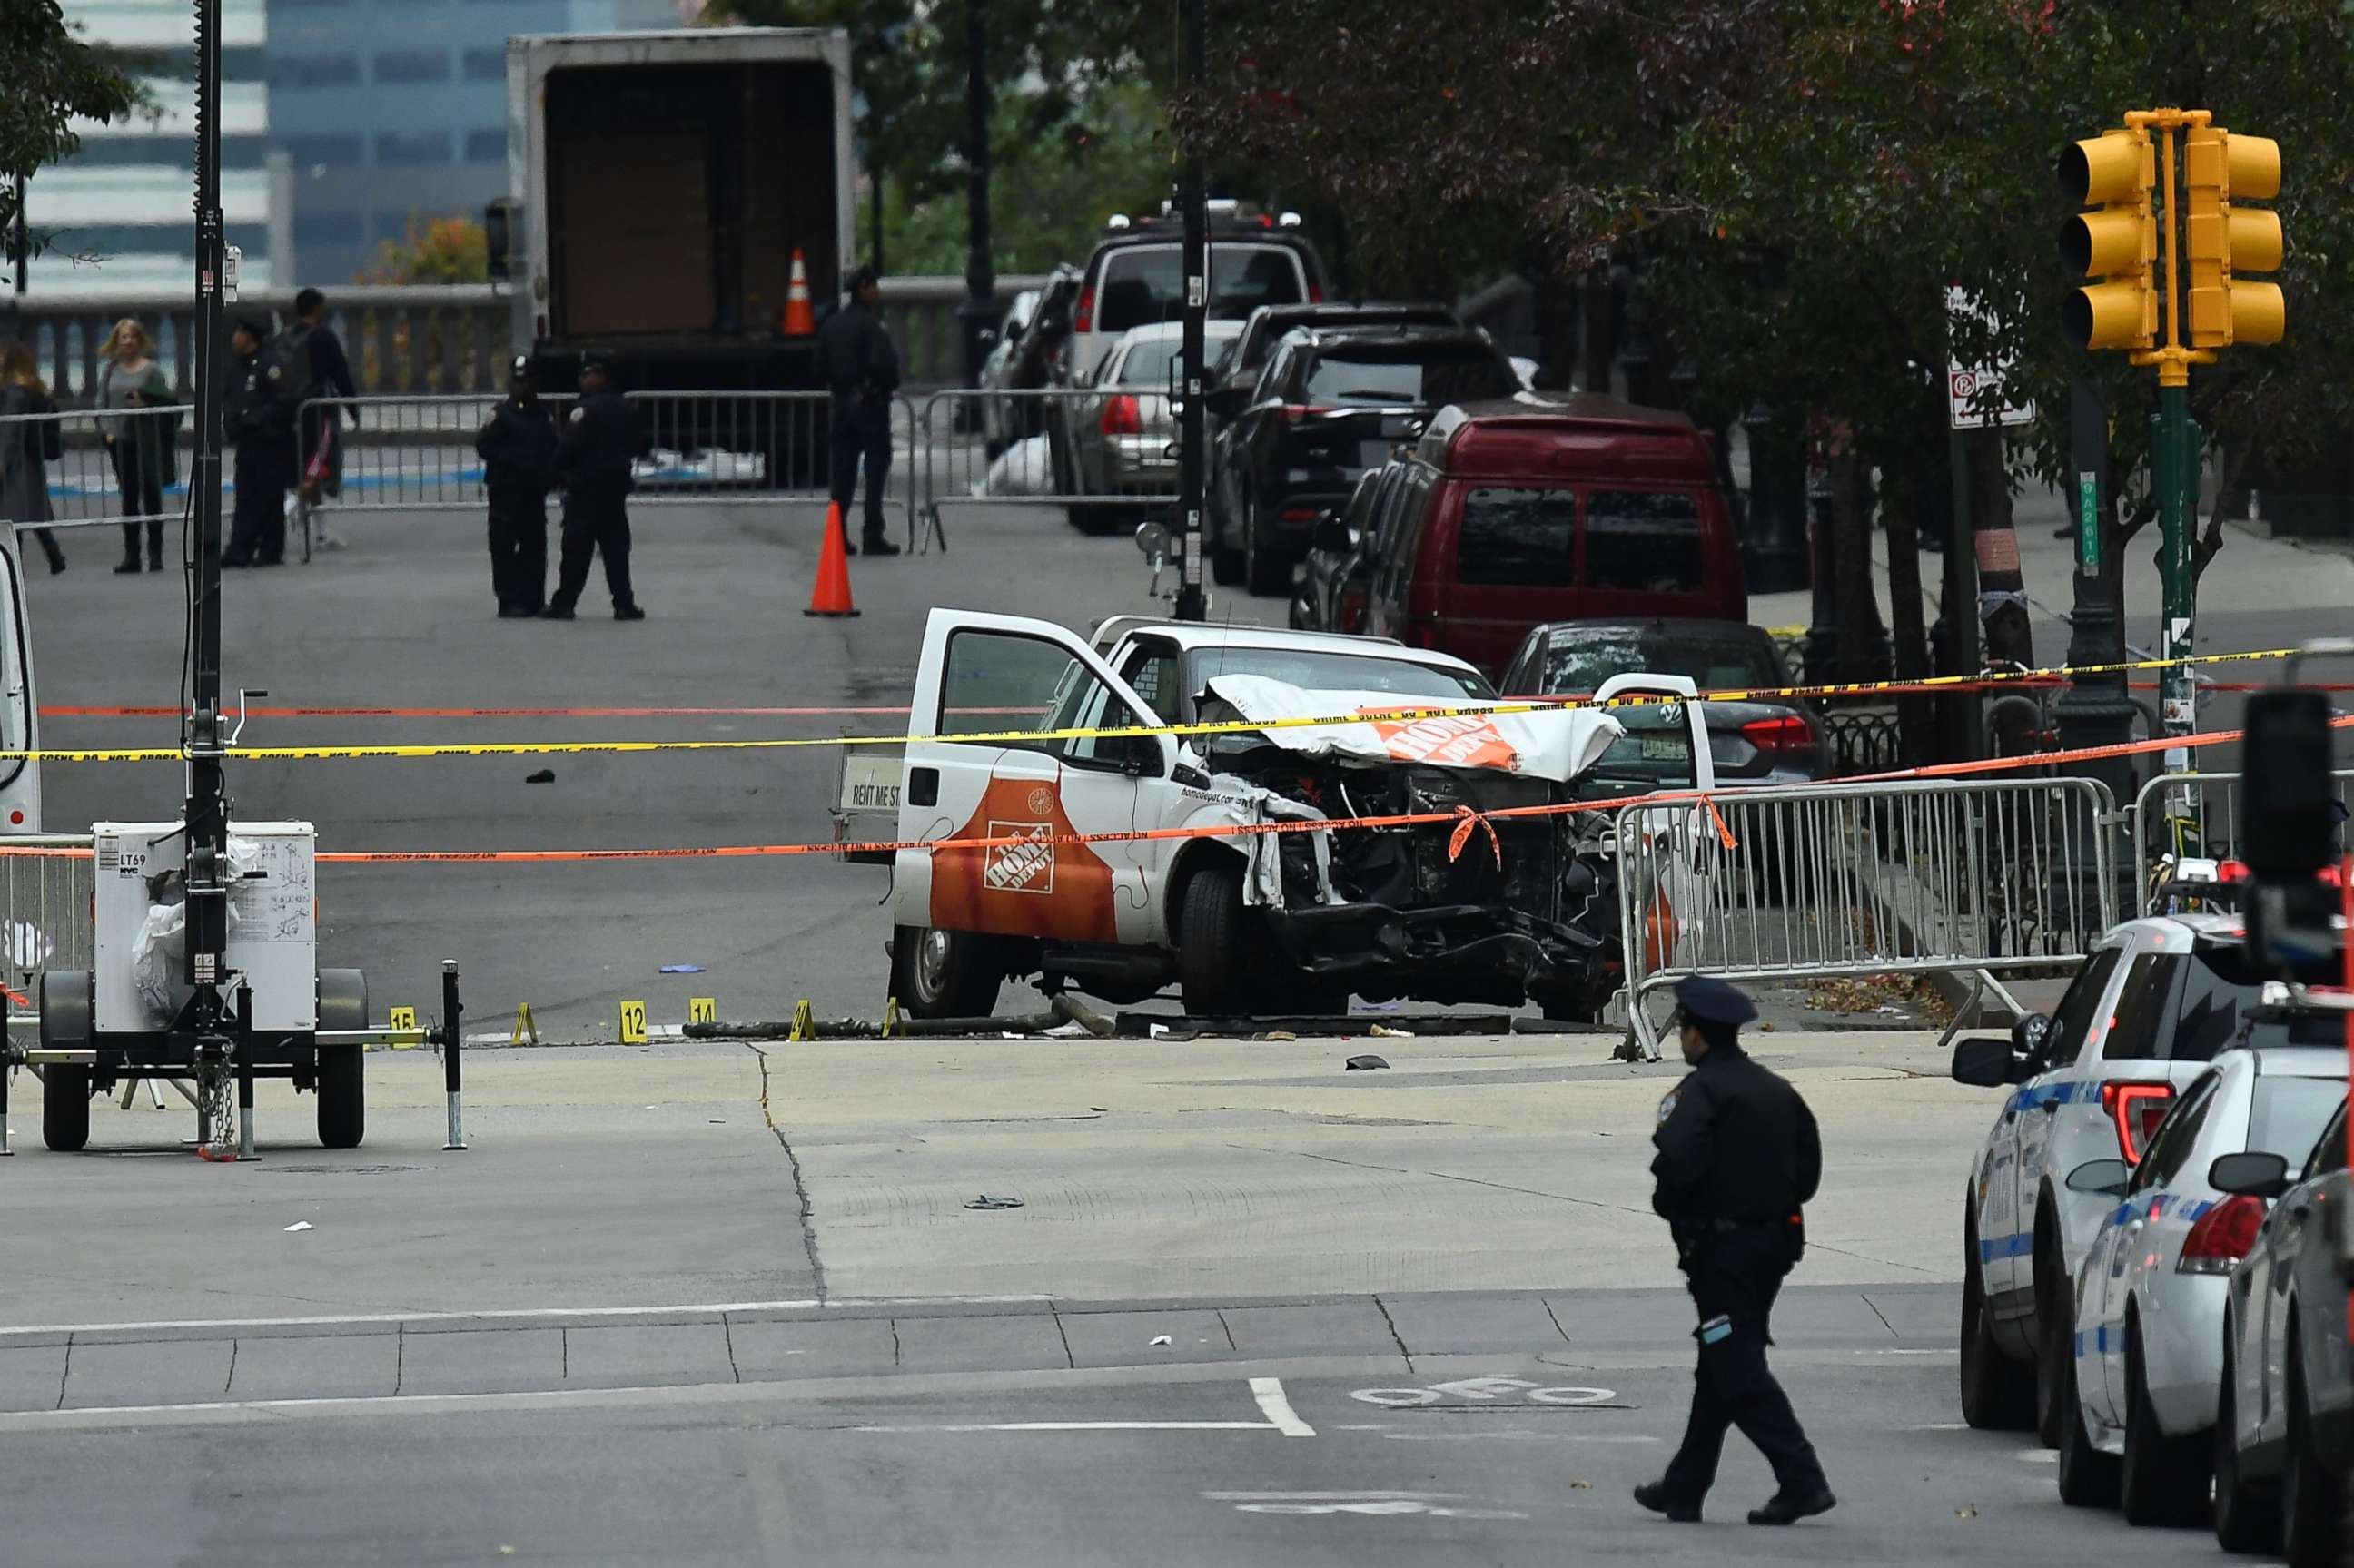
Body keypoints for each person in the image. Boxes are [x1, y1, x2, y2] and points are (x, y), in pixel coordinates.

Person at [1634, 975, 1835, 1527]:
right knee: (1719, 1358)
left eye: (1684, 1030)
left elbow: (1676, 1164)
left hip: (1722, 1254)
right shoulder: (1778, 1091)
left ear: (1697, 1037)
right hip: (1775, 1246)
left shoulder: (1696, 1095)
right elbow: (1809, 1173)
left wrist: (1674, 1207)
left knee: (1735, 1362)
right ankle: (1685, 1486)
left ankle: (1802, 1479)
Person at [542, 355, 645, 621]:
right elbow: (640, 443)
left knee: (577, 549)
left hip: (587, 488)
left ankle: (564, 604)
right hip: (615, 487)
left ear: (600, 376)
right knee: (616, 550)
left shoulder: (585, 410)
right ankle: (624, 604)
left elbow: (568, 447)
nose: (583, 379)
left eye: (587, 374)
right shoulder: (625, 406)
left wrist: (553, 472)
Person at [816, 262, 901, 557]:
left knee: (842, 475)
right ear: (862, 288)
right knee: (875, 472)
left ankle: (837, 536)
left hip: (840, 406)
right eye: (873, 285)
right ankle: (872, 534)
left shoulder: (831, 325)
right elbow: (886, 367)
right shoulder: (872, 326)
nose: (877, 290)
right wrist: (883, 387)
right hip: (871, 406)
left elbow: (819, 367)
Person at [476, 356, 559, 617]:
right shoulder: (501, 414)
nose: (521, 386)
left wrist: (551, 474)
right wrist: (512, 461)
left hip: (532, 491)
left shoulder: (543, 415)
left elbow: (552, 447)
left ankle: (534, 598)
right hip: (506, 490)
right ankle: (508, 600)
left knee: (534, 546)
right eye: (517, 381)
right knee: (503, 547)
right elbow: (484, 446)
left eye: (526, 381)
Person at [96, 319, 178, 573]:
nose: (128, 341)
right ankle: (132, 555)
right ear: (116, 342)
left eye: (132, 336)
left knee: (152, 495)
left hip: (147, 439)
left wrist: (143, 405)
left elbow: (165, 402)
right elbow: (102, 402)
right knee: (129, 498)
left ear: (140, 340)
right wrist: (107, 431)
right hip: (120, 442)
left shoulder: (151, 370)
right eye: (123, 337)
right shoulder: (110, 370)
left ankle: (156, 554)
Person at [221, 316, 295, 567]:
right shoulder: (237, 366)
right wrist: (232, 422)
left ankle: (270, 548)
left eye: (239, 332)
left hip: (270, 440)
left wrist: (257, 419)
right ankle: (240, 547)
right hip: (247, 442)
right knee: (245, 495)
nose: (234, 338)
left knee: (269, 496)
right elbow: (231, 399)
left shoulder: (270, 364)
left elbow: (283, 401)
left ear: (249, 336)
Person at [287, 288, 359, 547]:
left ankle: (320, 532)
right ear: (317, 309)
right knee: (316, 469)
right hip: (320, 412)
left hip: (293, 412)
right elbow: (341, 374)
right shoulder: (324, 337)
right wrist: (353, 407)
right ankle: (290, 506)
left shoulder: (286, 337)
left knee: (306, 467)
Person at [0, 341, 69, 575]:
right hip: (29, 458)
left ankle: (14, 564)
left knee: (12, 514)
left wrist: (3, 460)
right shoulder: (32, 387)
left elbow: (11, 429)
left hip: (16, 460)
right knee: (33, 512)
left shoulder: (14, 391)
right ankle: (54, 556)